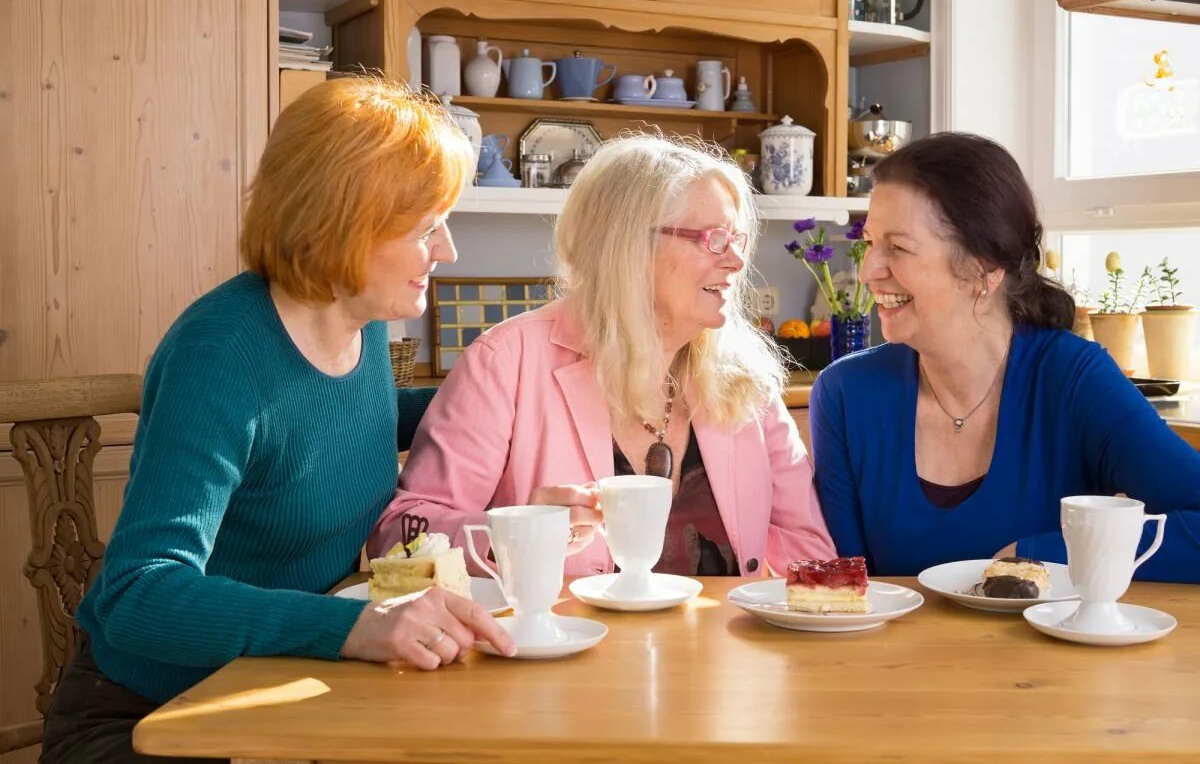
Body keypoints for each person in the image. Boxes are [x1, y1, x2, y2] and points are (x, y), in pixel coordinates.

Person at [42, 77, 515, 764]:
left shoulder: (362, 323)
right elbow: (138, 593)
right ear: (346, 222)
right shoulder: (221, 356)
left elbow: (356, 424)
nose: (447, 251)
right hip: (153, 715)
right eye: (425, 228)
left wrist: (512, 400)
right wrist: (352, 627)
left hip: (277, 689)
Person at [369, 135, 834, 578]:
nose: (735, 261)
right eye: (714, 238)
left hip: (719, 655)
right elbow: (399, 537)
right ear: (627, 245)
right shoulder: (505, 361)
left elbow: (809, 552)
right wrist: (515, 532)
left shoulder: (747, 375)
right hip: (559, 654)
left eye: (739, 239)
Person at [810, 131, 1200, 580]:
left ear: (983, 269)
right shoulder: (844, 394)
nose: (867, 271)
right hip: (891, 653)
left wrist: (1040, 554)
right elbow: (847, 591)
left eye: (897, 248)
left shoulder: (1073, 379)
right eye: (870, 242)